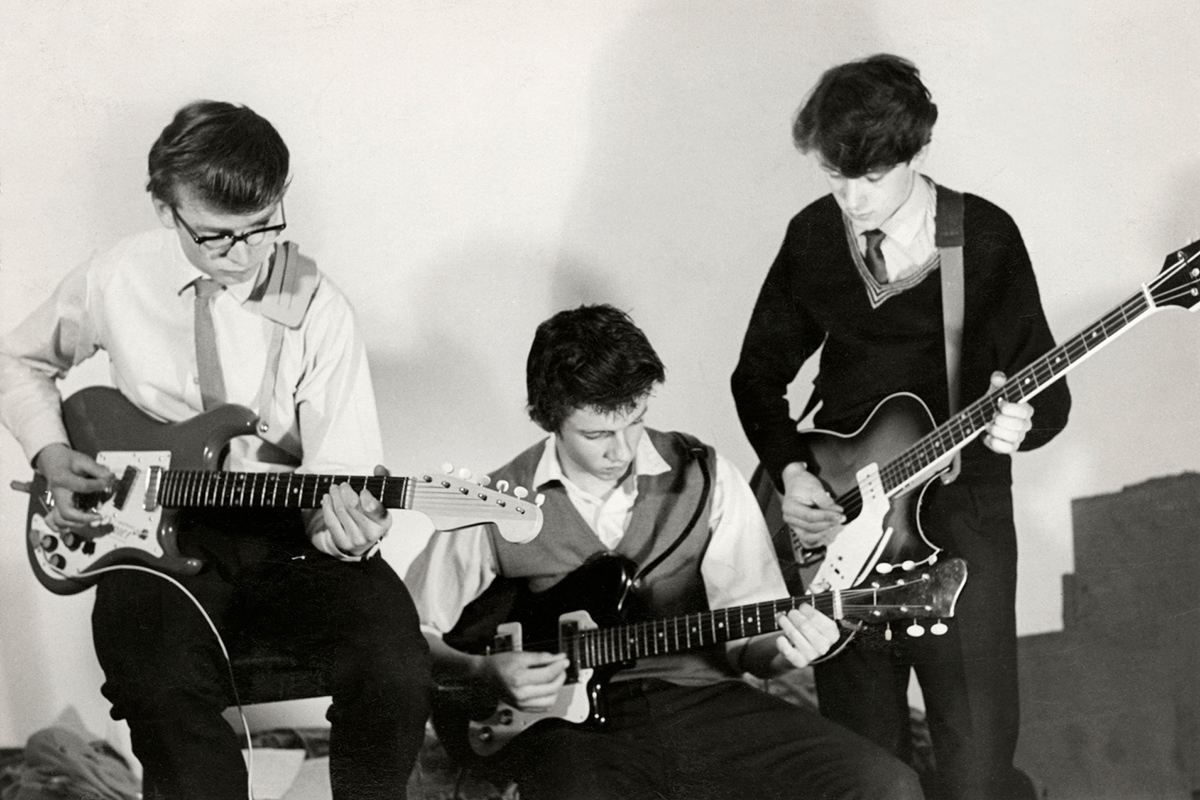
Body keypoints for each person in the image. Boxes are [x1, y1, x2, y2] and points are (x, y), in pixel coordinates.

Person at [0, 100, 430, 799]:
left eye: (263, 228)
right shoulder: (116, 276)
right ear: (167, 211)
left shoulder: (316, 304)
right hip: (150, 525)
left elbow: (340, 473)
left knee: (397, 668)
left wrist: (343, 530)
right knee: (157, 683)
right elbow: (17, 362)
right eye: (217, 238)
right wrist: (49, 451)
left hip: (289, 527)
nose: (247, 256)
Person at [407, 304, 923, 800]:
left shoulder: (705, 473)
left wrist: (787, 650)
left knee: (886, 786)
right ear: (547, 418)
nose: (622, 450)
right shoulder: (497, 500)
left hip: (704, 704)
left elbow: (752, 644)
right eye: (596, 433)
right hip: (572, 735)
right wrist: (481, 673)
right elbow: (409, 633)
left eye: (634, 420)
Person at [730, 54, 1072, 799]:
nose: (851, 199)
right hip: (847, 522)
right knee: (864, 766)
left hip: (963, 518)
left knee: (976, 767)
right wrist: (791, 474)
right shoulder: (815, 236)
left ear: (915, 152)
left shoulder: (982, 237)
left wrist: (1023, 420)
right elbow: (755, 376)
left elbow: (1052, 395)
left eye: (871, 178)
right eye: (833, 177)